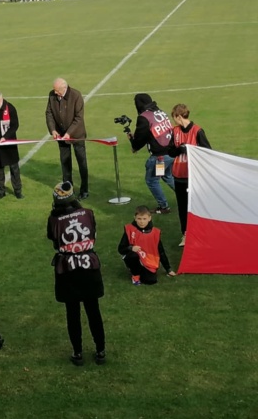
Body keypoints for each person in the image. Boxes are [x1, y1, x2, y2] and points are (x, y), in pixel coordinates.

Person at [47, 181, 105, 366]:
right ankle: (101, 351)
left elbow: (54, 240)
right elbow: (93, 233)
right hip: (89, 267)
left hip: (68, 269)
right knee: (93, 310)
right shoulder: (89, 213)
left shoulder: (54, 219)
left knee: (72, 313)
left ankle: (78, 353)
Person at [169, 104, 212, 246]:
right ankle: (185, 235)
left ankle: (201, 233)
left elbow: (207, 152)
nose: (174, 121)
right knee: (182, 207)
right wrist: (178, 150)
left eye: (174, 118)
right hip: (179, 176)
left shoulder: (198, 131)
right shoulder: (174, 131)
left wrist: (188, 150)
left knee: (196, 206)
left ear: (179, 116)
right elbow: (169, 151)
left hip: (194, 177)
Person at [126, 93, 175, 215]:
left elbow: (141, 138)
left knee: (152, 180)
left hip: (160, 157)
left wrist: (133, 143)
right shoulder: (160, 112)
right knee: (168, 176)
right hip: (171, 152)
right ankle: (188, 195)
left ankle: (164, 206)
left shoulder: (144, 117)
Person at [45, 78, 89, 199]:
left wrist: (69, 133)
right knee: (65, 163)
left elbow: (79, 118)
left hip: (77, 135)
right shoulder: (52, 95)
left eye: (57, 90)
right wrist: (53, 130)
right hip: (61, 135)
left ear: (64, 88)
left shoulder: (76, 95)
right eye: (54, 90)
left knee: (82, 163)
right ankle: (68, 189)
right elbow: (49, 113)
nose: (55, 93)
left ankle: (84, 190)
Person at [118, 205, 175, 285]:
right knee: (133, 256)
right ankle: (135, 275)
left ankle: (142, 269)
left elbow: (161, 251)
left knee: (151, 281)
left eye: (144, 219)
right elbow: (120, 249)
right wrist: (131, 248)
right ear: (135, 218)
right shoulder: (129, 230)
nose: (142, 222)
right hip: (133, 256)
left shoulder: (155, 233)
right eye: (139, 219)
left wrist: (168, 269)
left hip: (148, 258)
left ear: (149, 218)